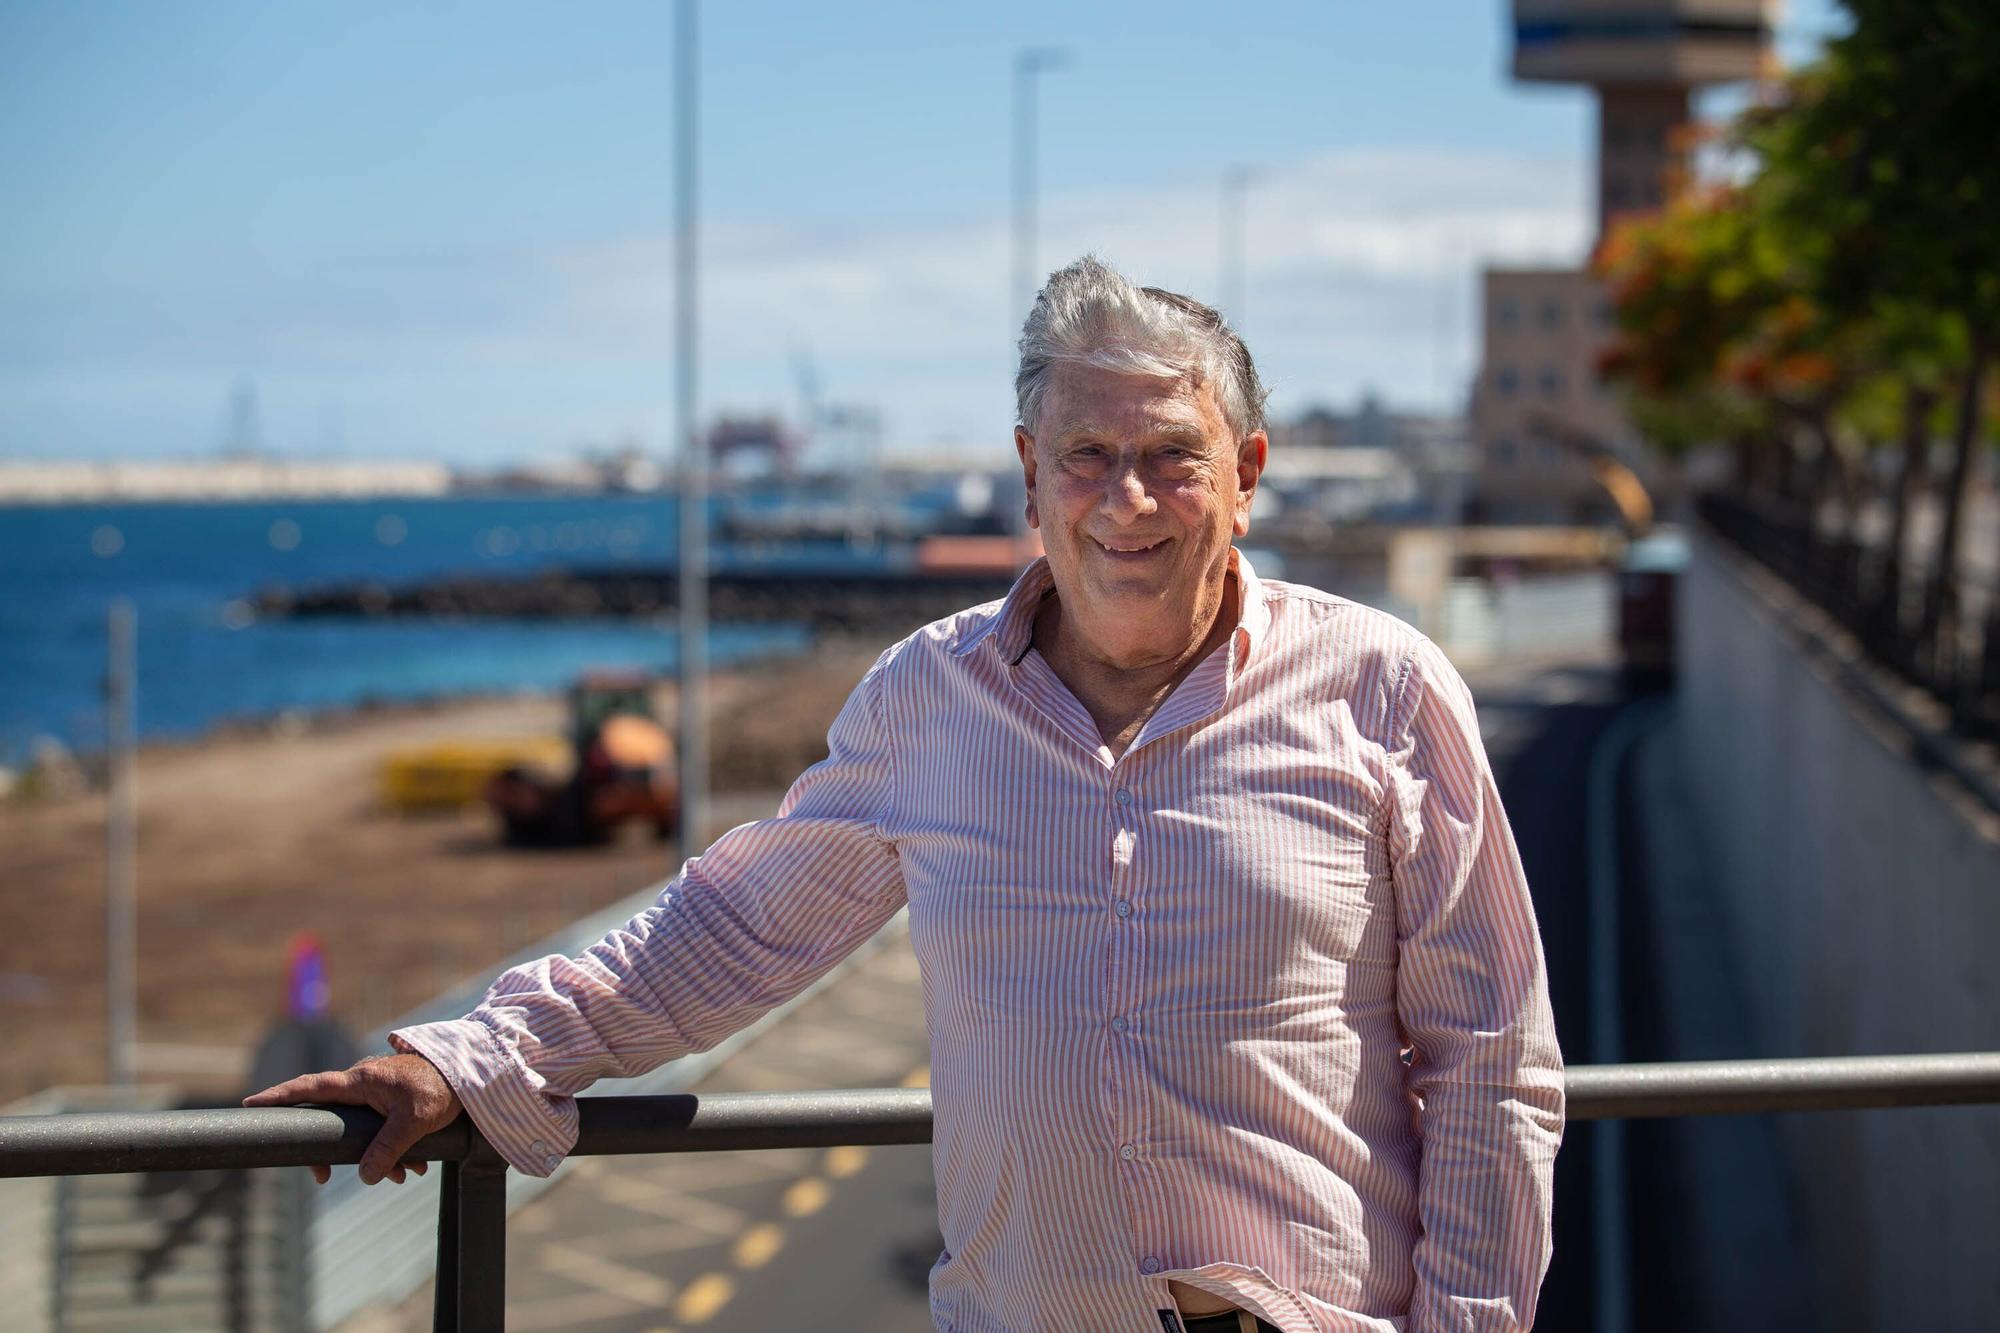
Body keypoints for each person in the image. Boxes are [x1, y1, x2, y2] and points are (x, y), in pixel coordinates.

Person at [249, 256, 1564, 1332]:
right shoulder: (930, 701)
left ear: (1249, 470)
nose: (1129, 499)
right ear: (1029, 472)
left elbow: (1491, 1061)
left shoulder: (1386, 687)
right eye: (1087, 454)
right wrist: (471, 1055)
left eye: (1172, 455)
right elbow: (727, 931)